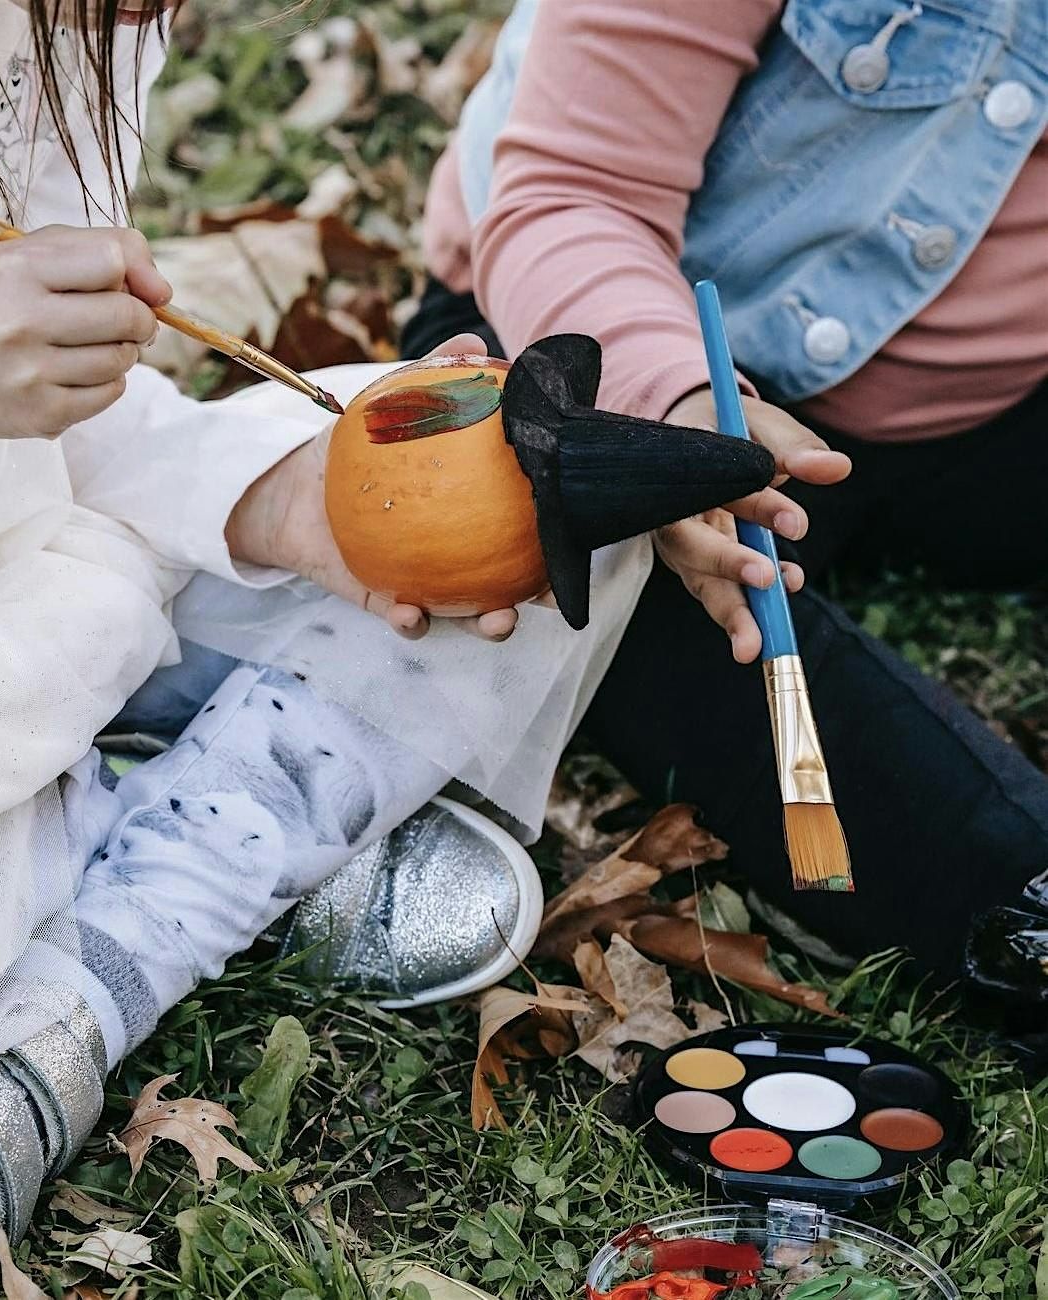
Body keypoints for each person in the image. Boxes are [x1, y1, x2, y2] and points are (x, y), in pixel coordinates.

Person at [0, 1, 770, 1292]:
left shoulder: (61, 26)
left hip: (9, 591)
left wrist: (298, 500)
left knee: (540, 498)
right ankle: (167, 864)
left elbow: (66, 431)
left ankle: (80, 950)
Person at [406, 0, 1048, 1013]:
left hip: (973, 407)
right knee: (633, 596)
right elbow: (572, 195)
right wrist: (678, 412)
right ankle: (1017, 908)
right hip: (609, 358)